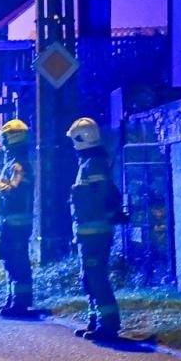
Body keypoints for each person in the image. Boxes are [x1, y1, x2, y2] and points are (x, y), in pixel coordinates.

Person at [67, 117, 124, 341]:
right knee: (89, 278)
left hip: (95, 234)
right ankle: (96, 321)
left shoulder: (93, 166)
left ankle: (108, 325)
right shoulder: (89, 164)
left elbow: (102, 198)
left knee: (97, 278)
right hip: (88, 233)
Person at [0, 119, 37, 318]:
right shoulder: (12, 163)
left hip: (17, 222)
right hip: (11, 222)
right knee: (9, 260)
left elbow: (14, 190)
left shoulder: (18, 165)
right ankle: (12, 299)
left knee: (17, 262)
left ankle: (20, 302)